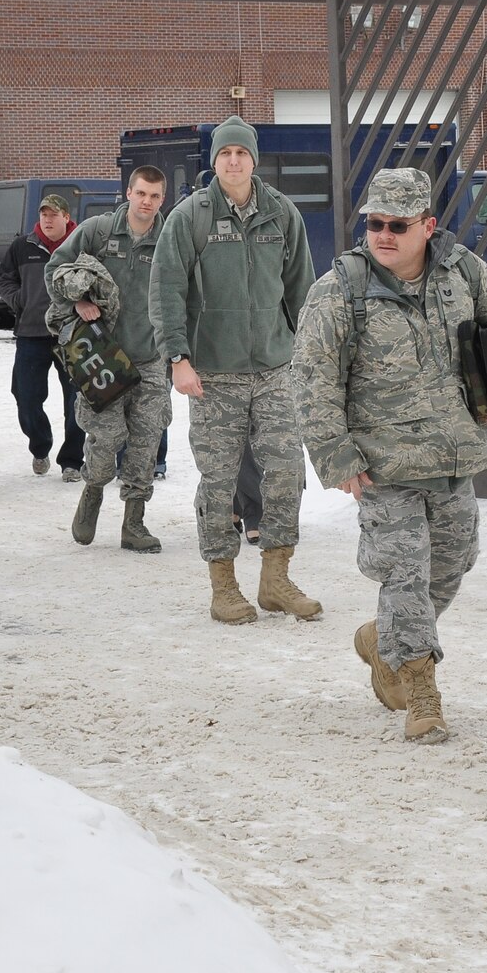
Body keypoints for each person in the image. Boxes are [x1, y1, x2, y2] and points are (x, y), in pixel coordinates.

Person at [293, 168, 487, 742]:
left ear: (428, 226)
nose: (383, 235)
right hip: (383, 464)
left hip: (453, 456)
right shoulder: (340, 290)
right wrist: (337, 455)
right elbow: (312, 379)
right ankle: (421, 693)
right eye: (374, 223)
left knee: (450, 566)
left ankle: (385, 640)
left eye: (397, 225)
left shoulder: (462, 272)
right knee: (406, 572)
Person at [150, 116, 320, 624]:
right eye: (225, 153)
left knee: (286, 471)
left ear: (253, 159)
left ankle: (276, 578)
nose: (233, 161)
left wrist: (306, 355)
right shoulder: (190, 217)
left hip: (275, 369)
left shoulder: (281, 214)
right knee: (219, 480)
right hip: (213, 374)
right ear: (215, 160)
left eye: (241, 153)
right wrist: (178, 359)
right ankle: (223, 584)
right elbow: (165, 292)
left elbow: (302, 290)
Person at [48, 167, 167, 551]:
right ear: (128, 193)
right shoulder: (98, 231)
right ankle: (93, 491)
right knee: (109, 436)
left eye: (154, 196)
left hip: (151, 359)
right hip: (104, 357)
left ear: (161, 200)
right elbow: (55, 270)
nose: (147, 201)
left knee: (147, 442)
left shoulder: (169, 238)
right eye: (141, 193)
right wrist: (78, 300)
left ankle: (134, 522)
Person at [0, 194, 86, 479]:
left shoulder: (81, 245)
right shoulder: (22, 246)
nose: (47, 219)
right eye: (43, 214)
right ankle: (40, 446)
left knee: (77, 400)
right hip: (31, 333)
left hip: (73, 334)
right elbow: (4, 278)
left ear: (66, 218)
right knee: (25, 396)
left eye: (54, 214)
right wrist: (19, 300)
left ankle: (72, 460)